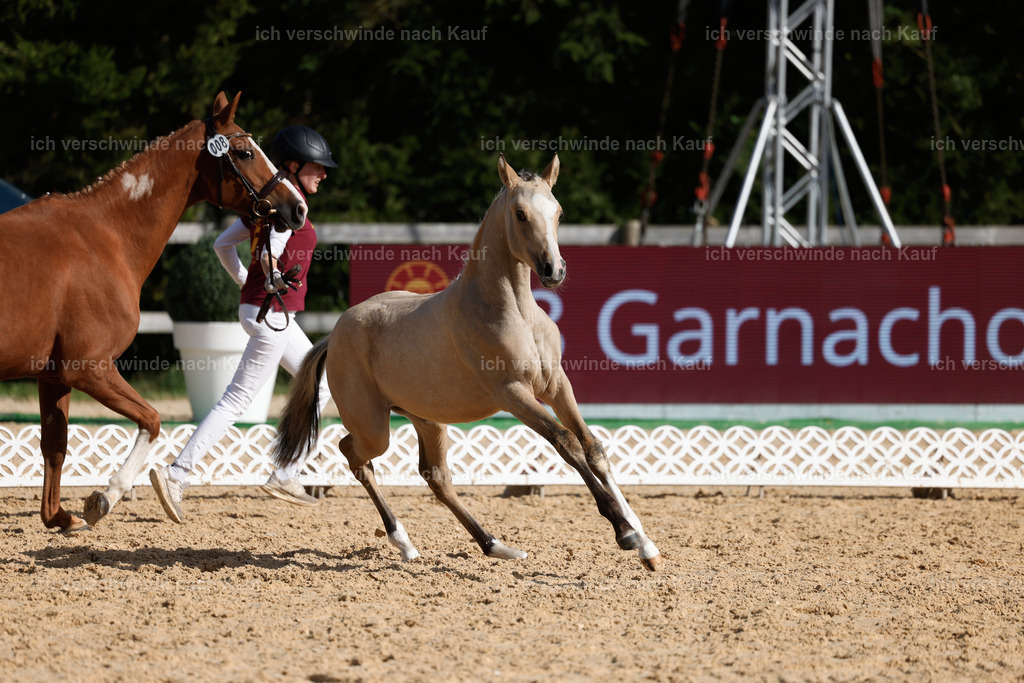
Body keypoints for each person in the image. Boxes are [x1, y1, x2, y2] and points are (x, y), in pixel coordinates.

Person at [150, 125, 337, 523]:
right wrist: (267, 275)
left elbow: (222, 244)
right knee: (237, 400)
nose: (323, 174)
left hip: (263, 311)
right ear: (292, 164)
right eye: (317, 167)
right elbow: (272, 248)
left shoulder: (265, 203)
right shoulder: (290, 207)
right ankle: (178, 472)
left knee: (322, 381)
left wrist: (245, 281)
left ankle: (287, 470)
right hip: (271, 315)